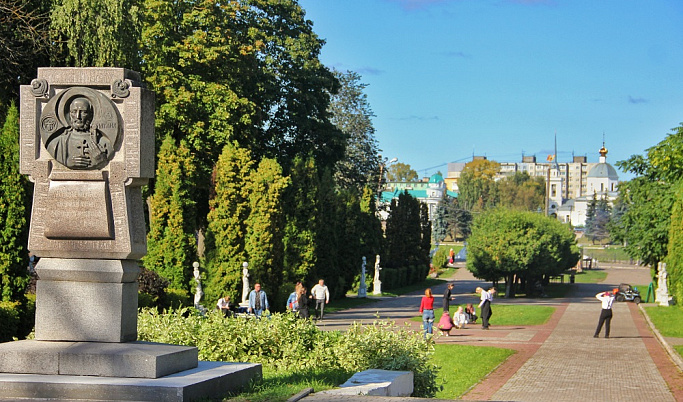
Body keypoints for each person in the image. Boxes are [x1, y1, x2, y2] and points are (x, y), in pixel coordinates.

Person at [46, 97, 111, 169]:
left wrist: (100, 159)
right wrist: (67, 162)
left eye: (83, 112)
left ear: (90, 115)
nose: (78, 116)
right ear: (69, 114)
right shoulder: (57, 144)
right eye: (74, 111)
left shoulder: (103, 143)